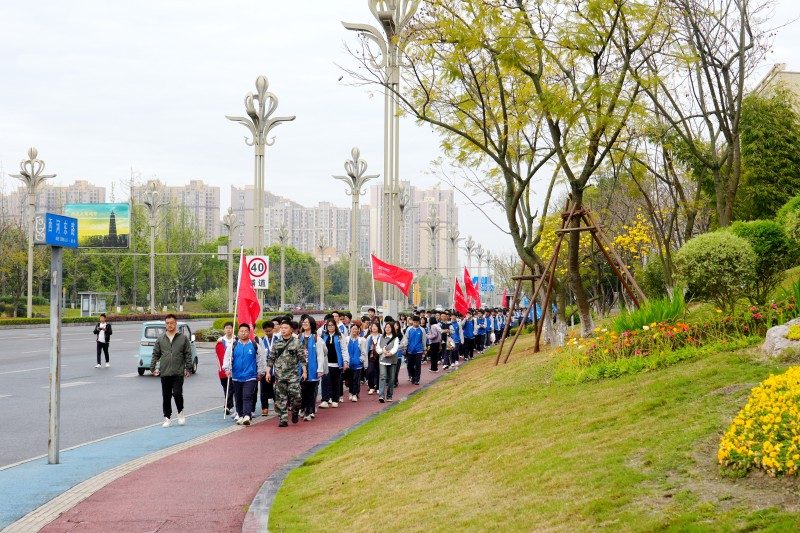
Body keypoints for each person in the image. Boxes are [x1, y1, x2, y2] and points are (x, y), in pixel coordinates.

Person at [150, 314, 193, 428]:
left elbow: (188, 354)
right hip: (165, 372)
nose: (169, 325)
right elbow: (155, 354)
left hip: (178, 372)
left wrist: (188, 368)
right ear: (165, 324)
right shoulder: (161, 339)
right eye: (167, 323)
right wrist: (152, 367)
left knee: (177, 394)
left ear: (176, 323)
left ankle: (180, 413)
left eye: (172, 323)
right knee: (166, 396)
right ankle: (167, 418)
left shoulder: (183, 338)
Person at [222, 323, 266, 426]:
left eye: (246, 331)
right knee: (238, 397)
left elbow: (261, 359)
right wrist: (227, 369)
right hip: (236, 376)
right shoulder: (233, 345)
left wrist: (260, 372)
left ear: (249, 332)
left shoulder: (254, 345)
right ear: (238, 332)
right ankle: (240, 415)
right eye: (241, 331)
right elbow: (227, 358)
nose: (243, 333)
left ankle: (247, 415)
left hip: (250, 376)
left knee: (247, 395)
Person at [267, 319, 307, 427]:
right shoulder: (277, 343)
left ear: (291, 330)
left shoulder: (296, 342)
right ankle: (283, 419)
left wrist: (304, 372)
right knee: (281, 398)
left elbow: (302, 359)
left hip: (293, 375)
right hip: (280, 375)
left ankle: (295, 411)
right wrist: (268, 372)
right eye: (282, 328)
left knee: (297, 397)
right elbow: (271, 358)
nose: (283, 330)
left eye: (286, 328)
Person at [299, 315, 326, 421]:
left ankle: (309, 412)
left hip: (312, 369)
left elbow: (320, 355)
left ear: (311, 325)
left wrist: (320, 369)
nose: (304, 324)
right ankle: (303, 408)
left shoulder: (316, 339)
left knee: (311, 391)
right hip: (300, 369)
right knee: (302, 391)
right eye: (303, 322)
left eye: (307, 322)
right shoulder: (298, 338)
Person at [320, 319, 345, 408]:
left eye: (332, 325)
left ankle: (335, 399)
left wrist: (345, 361)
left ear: (335, 326)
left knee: (335, 382)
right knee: (325, 382)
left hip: (336, 364)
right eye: (328, 325)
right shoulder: (323, 335)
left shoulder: (340, 336)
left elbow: (344, 349)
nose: (330, 327)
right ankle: (325, 400)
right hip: (326, 363)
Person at [215, 321, 236, 416]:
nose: (228, 330)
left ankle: (227, 406)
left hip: (234, 369)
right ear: (224, 330)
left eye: (230, 328)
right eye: (227, 328)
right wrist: (223, 368)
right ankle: (229, 404)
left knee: (231, 388)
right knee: (226, 388)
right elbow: (219, 356)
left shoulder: (236, 340)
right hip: (223, 370)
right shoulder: (220, 341)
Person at [377, 322, 399, 402]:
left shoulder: (395, 338)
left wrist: (390, 353)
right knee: (382, 377)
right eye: (386, 327)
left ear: (392, 328)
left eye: (389, 327)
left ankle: (389, 395)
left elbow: (395, 348)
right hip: (383, 360)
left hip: (392, 360)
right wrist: (382, 351)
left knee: (391, 378)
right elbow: (377, 348)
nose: (387, 328)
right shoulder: (381, 337)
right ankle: (381, 396)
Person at [258, 321, 276, 416]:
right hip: (265, 369)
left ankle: (277, 404)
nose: (268, 333)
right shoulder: (261, 341)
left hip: (276, 369)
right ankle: (264, 408)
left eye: (269, 331)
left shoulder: (278, 339)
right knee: (264, 389)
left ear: (273, 329)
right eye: (266, 331)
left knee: (277, 389)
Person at [345, 323, 367, 402]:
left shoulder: (362, 340)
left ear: (358, 330)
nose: (354, 330)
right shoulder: (346, 339)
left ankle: (355, 394)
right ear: (350, 330)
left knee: (356, 379)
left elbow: (364, 352)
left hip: (358, 364)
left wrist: (360, 360)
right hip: (349, 364)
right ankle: (351, 392)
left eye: (356, 329)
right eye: (353, 329)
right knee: (350, 379)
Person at [402, 315, 426, 385]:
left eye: (417, 322)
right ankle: (412, 376)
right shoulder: (409, 329)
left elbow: (424, 340)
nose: (415, 324)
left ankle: (417, 379)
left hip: (419, 350)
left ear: (419, 322)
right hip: (410, 350)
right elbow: (406, 338)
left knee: (418, 365)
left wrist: (424, 349)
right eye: (414, 322)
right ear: (412, 322)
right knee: (410, 365)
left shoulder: (422, 330)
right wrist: (404, 348)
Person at [365, 322, 382, 395]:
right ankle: (371, 387)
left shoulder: (381, 336)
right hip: (371, 356)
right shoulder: (369, 337)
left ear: (378, 328)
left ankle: (378, 387)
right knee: (370, 371)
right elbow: (366, 347)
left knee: (379, 371)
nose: (374, 328)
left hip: (379, 356)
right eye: (372, 326)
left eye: (375, 326)